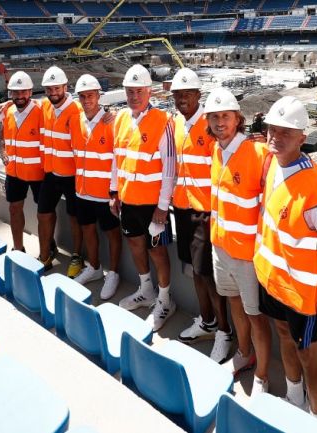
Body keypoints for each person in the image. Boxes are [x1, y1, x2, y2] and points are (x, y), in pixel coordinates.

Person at [254, 96, 317, 425]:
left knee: (310, 356)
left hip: (303, 295)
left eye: (286, 132)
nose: (275, 137)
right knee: (281, 335)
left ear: (302, 138)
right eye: (271, 130)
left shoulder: (313, 189)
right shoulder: (270, 162)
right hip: (274, 282)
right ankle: (294, 396)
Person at [206, 87, 273, 394]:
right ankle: (244, 354)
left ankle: (261, 374)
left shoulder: (257, 153)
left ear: (238, 119)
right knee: (234, 303)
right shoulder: (216, 151)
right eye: (215, 117)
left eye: (226, 116)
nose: (220, 122)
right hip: (221, 247)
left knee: (255, 315)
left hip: (247, 255)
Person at [169, 68, 232, 362]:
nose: (182, 99)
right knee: (195, 270)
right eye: (178, 95)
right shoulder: (176, 124)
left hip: (204, 214)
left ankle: (223, 331)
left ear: (198, 96)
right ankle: (207, 322)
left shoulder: (209, 127)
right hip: (182, 210)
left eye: (187, 94)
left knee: (207, 274)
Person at [110, 64, 177, 331]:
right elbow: (118, 159)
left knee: (157, 252)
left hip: (153, 206)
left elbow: (170, 167)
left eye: (139, 91)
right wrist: (114, 192)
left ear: (149, 92)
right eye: (129, 91)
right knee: (136, 246)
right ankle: (146, 289)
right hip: (128, 202)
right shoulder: (121, 119)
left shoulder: (163, 122)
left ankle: (164, 300)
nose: (134, 96)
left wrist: (162, 207)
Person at [71, 74, 122, 299]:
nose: (86, 100)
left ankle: (114, 273)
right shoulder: (76, 121)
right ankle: (94, 267)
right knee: (88, 230)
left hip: (104, 194)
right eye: (82, 96)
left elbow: (116, 160)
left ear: (98, 96)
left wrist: (114, 192)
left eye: (90, 95)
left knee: (112, 234)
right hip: (82, 191)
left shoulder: (112, 122)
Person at [39, 66, 84, 275]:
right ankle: (44, 255)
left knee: (75, 217)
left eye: (56, 88)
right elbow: (24, 106)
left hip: (72, 176)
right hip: (51, 173)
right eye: (49, 89)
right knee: (43, 214)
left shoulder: (76, 112)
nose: (52, 93)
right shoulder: (45, 107)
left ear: (65, 87)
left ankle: (77, 256)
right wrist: (7, 103)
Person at [0, 71, 43, 253]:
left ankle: (47, 247)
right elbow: (2, 134)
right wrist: (2, 150)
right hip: (14, 172)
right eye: (16, 92)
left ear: (30, 92)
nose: (20, 96)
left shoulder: (41, 111)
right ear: (10, 94)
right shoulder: (8, 111)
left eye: (23, 92)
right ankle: (18, 248)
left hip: (38, 172)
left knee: (44, 214)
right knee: (14, 209)